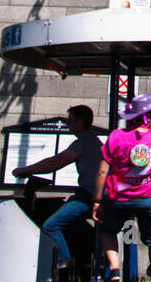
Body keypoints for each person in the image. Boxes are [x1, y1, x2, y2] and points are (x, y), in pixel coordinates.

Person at [91, 93, 151, 282]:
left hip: (118, 199)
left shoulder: (116, 136)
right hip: (146, 198)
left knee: (107, 230)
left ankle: (115, 267)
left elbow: (101, 172)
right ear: (150, 116)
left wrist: (97, 200)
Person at [12, 104, 101, 262]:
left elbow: (55, 163)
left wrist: (26, 170)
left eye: (70, 121)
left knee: (51, 225)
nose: (67, 124)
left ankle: (64, 266)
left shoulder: (84, 141)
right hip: (89, 194)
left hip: (89, 196)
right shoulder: (92, 140)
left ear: (79, 122)